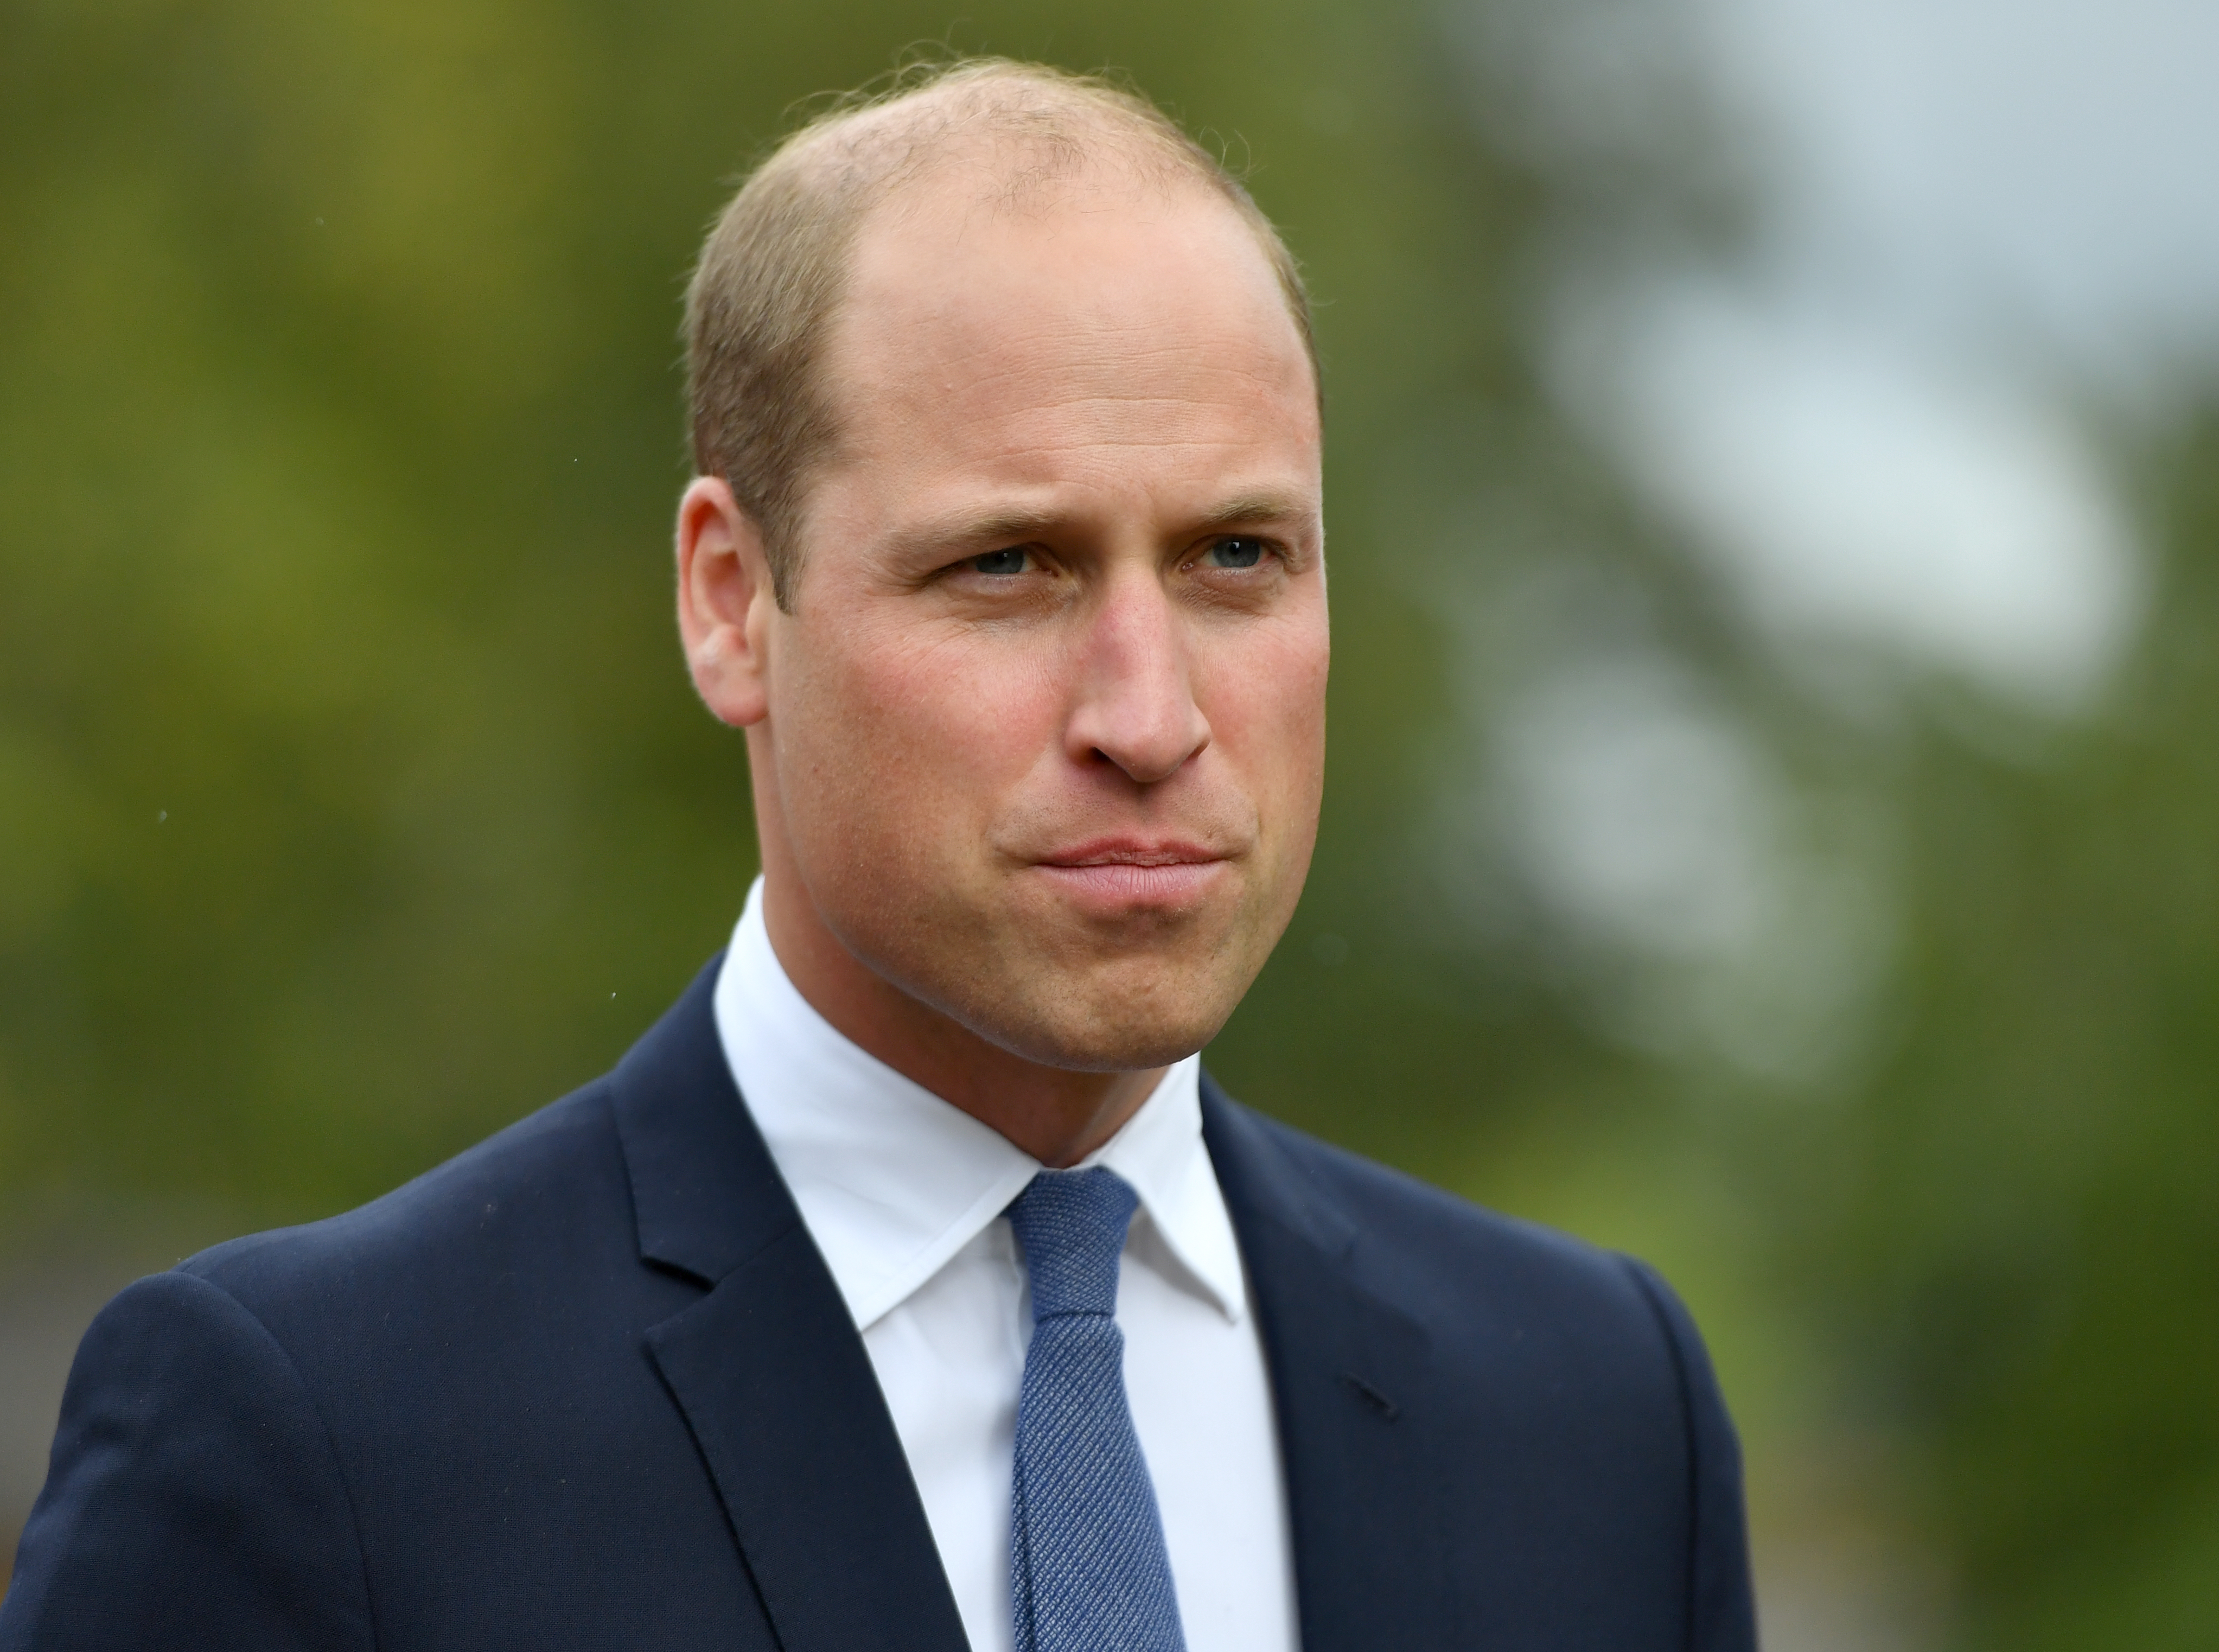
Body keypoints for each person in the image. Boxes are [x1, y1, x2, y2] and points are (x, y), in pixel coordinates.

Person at [0, 59, 1754, 1651]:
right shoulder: (326, 1442)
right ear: (727, 602)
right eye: (1008, 568)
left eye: (1235, 557)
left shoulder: (1598, 1421)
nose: (1149, 714)